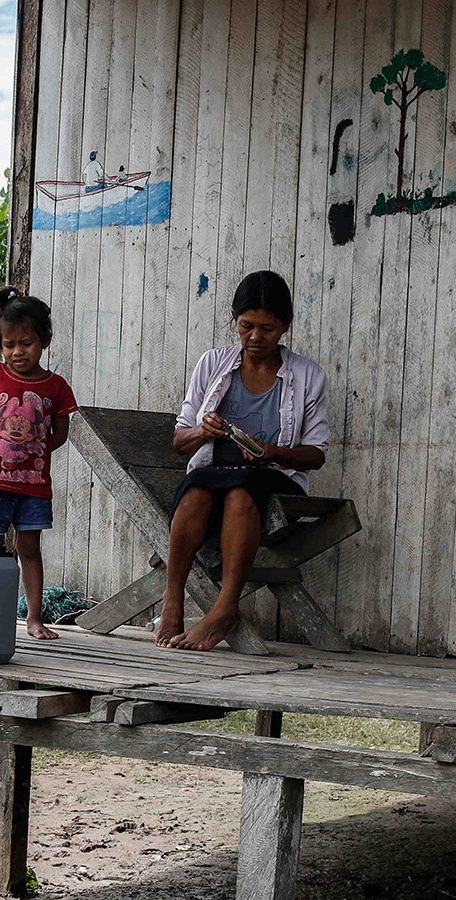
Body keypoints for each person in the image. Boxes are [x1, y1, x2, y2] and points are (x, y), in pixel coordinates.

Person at [160, 270, 329, 650]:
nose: (255, 338)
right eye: (246, 326)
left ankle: (224, 608)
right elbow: (179, 440)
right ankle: (172, 601)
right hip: (213, 473)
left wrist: (271, 452)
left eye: (267, 329)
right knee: (197, 489)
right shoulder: (213, 364)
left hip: (273, 477)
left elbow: (315, 455)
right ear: (235, 321)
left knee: (240, 492)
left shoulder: (307, 375)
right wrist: (204, 431)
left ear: (284, 326)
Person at [0, 286, 78, 641]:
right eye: (9, 344)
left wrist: (34, 453)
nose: (17, 352)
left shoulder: (55, 386)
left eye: (25, 343)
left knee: (29, 550)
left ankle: (32, 618)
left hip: (32, 487)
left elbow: (60, 432)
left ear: (43, 340)